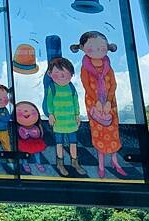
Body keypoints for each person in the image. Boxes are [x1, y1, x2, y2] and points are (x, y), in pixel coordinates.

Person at [71, 31, 125, 178]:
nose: (97, 51)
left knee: (113, 131)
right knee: (99, 132)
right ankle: (101, 164)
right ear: (82, 48)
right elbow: (86, 85)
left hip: (110, 102)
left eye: (101, 47)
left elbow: (113, 84)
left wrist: (108, 101)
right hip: (93, 103)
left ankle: (115, 161)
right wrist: (96, 102)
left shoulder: (108, 65)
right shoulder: (85, 67)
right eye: (91, 48)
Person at [45, 57, 86, 176]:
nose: (62, 75)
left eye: (65, 72)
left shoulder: (71, 87)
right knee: (59, 143)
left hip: (71, 120)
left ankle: (74, 162)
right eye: (57, 72)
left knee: (73, 143)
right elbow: (49, 102)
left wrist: (77, 115)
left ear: (71, 74)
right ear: (50, 74)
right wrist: (51, 114)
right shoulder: (52, 87)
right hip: (58, 121)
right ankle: (60, 163)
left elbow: (75, 102)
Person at [15, 101, 46, 174]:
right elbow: (23, 137)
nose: (26, 111)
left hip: (35, 143)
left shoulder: (36, 127)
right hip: (25, 143)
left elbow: (38, 134)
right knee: (24, 154)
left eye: (32, 110)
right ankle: (25, 164)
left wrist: (32, 133)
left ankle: (38, 163)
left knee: (37, 153)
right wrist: (27, 134)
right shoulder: (21, 128)